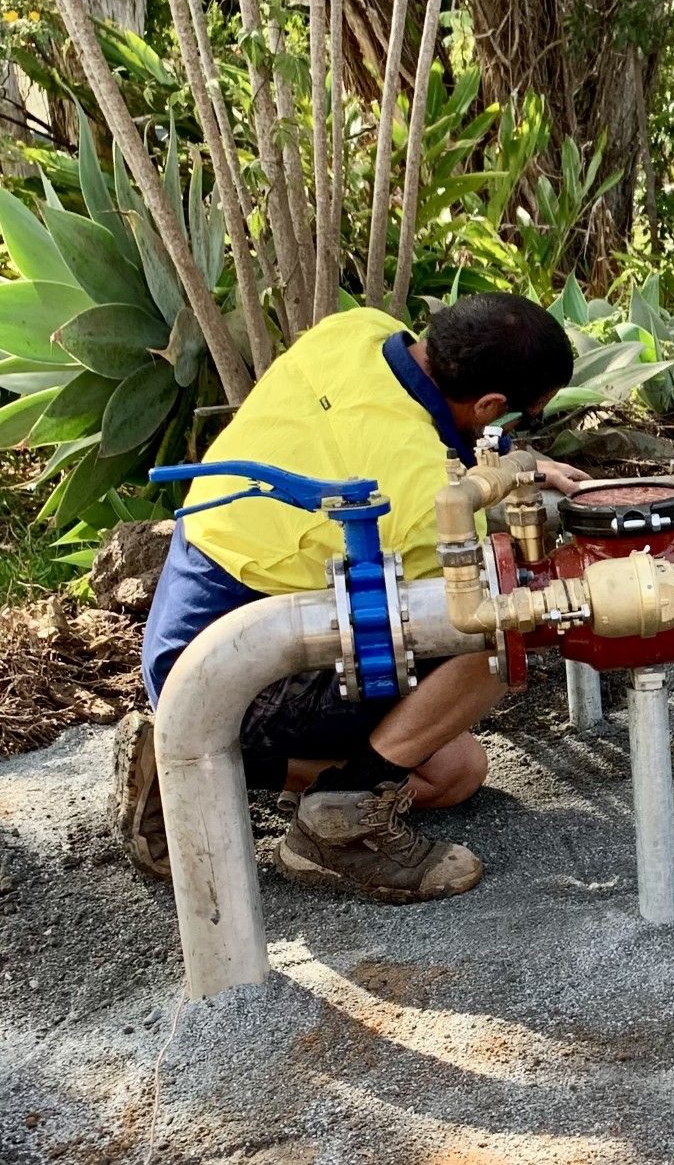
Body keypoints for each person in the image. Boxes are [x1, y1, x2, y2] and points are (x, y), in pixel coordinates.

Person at [113, 294, 582, 904]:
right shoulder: (411, 497)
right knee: (502, 623)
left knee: (454, 773)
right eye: (518, 418)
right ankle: (341, 822)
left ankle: (181, 765)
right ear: (490, 404)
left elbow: (386, 440)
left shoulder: (357, 331)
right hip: (227, 680)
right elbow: (471, 574)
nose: (514, 430)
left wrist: (522, 468)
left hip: (184, 643)